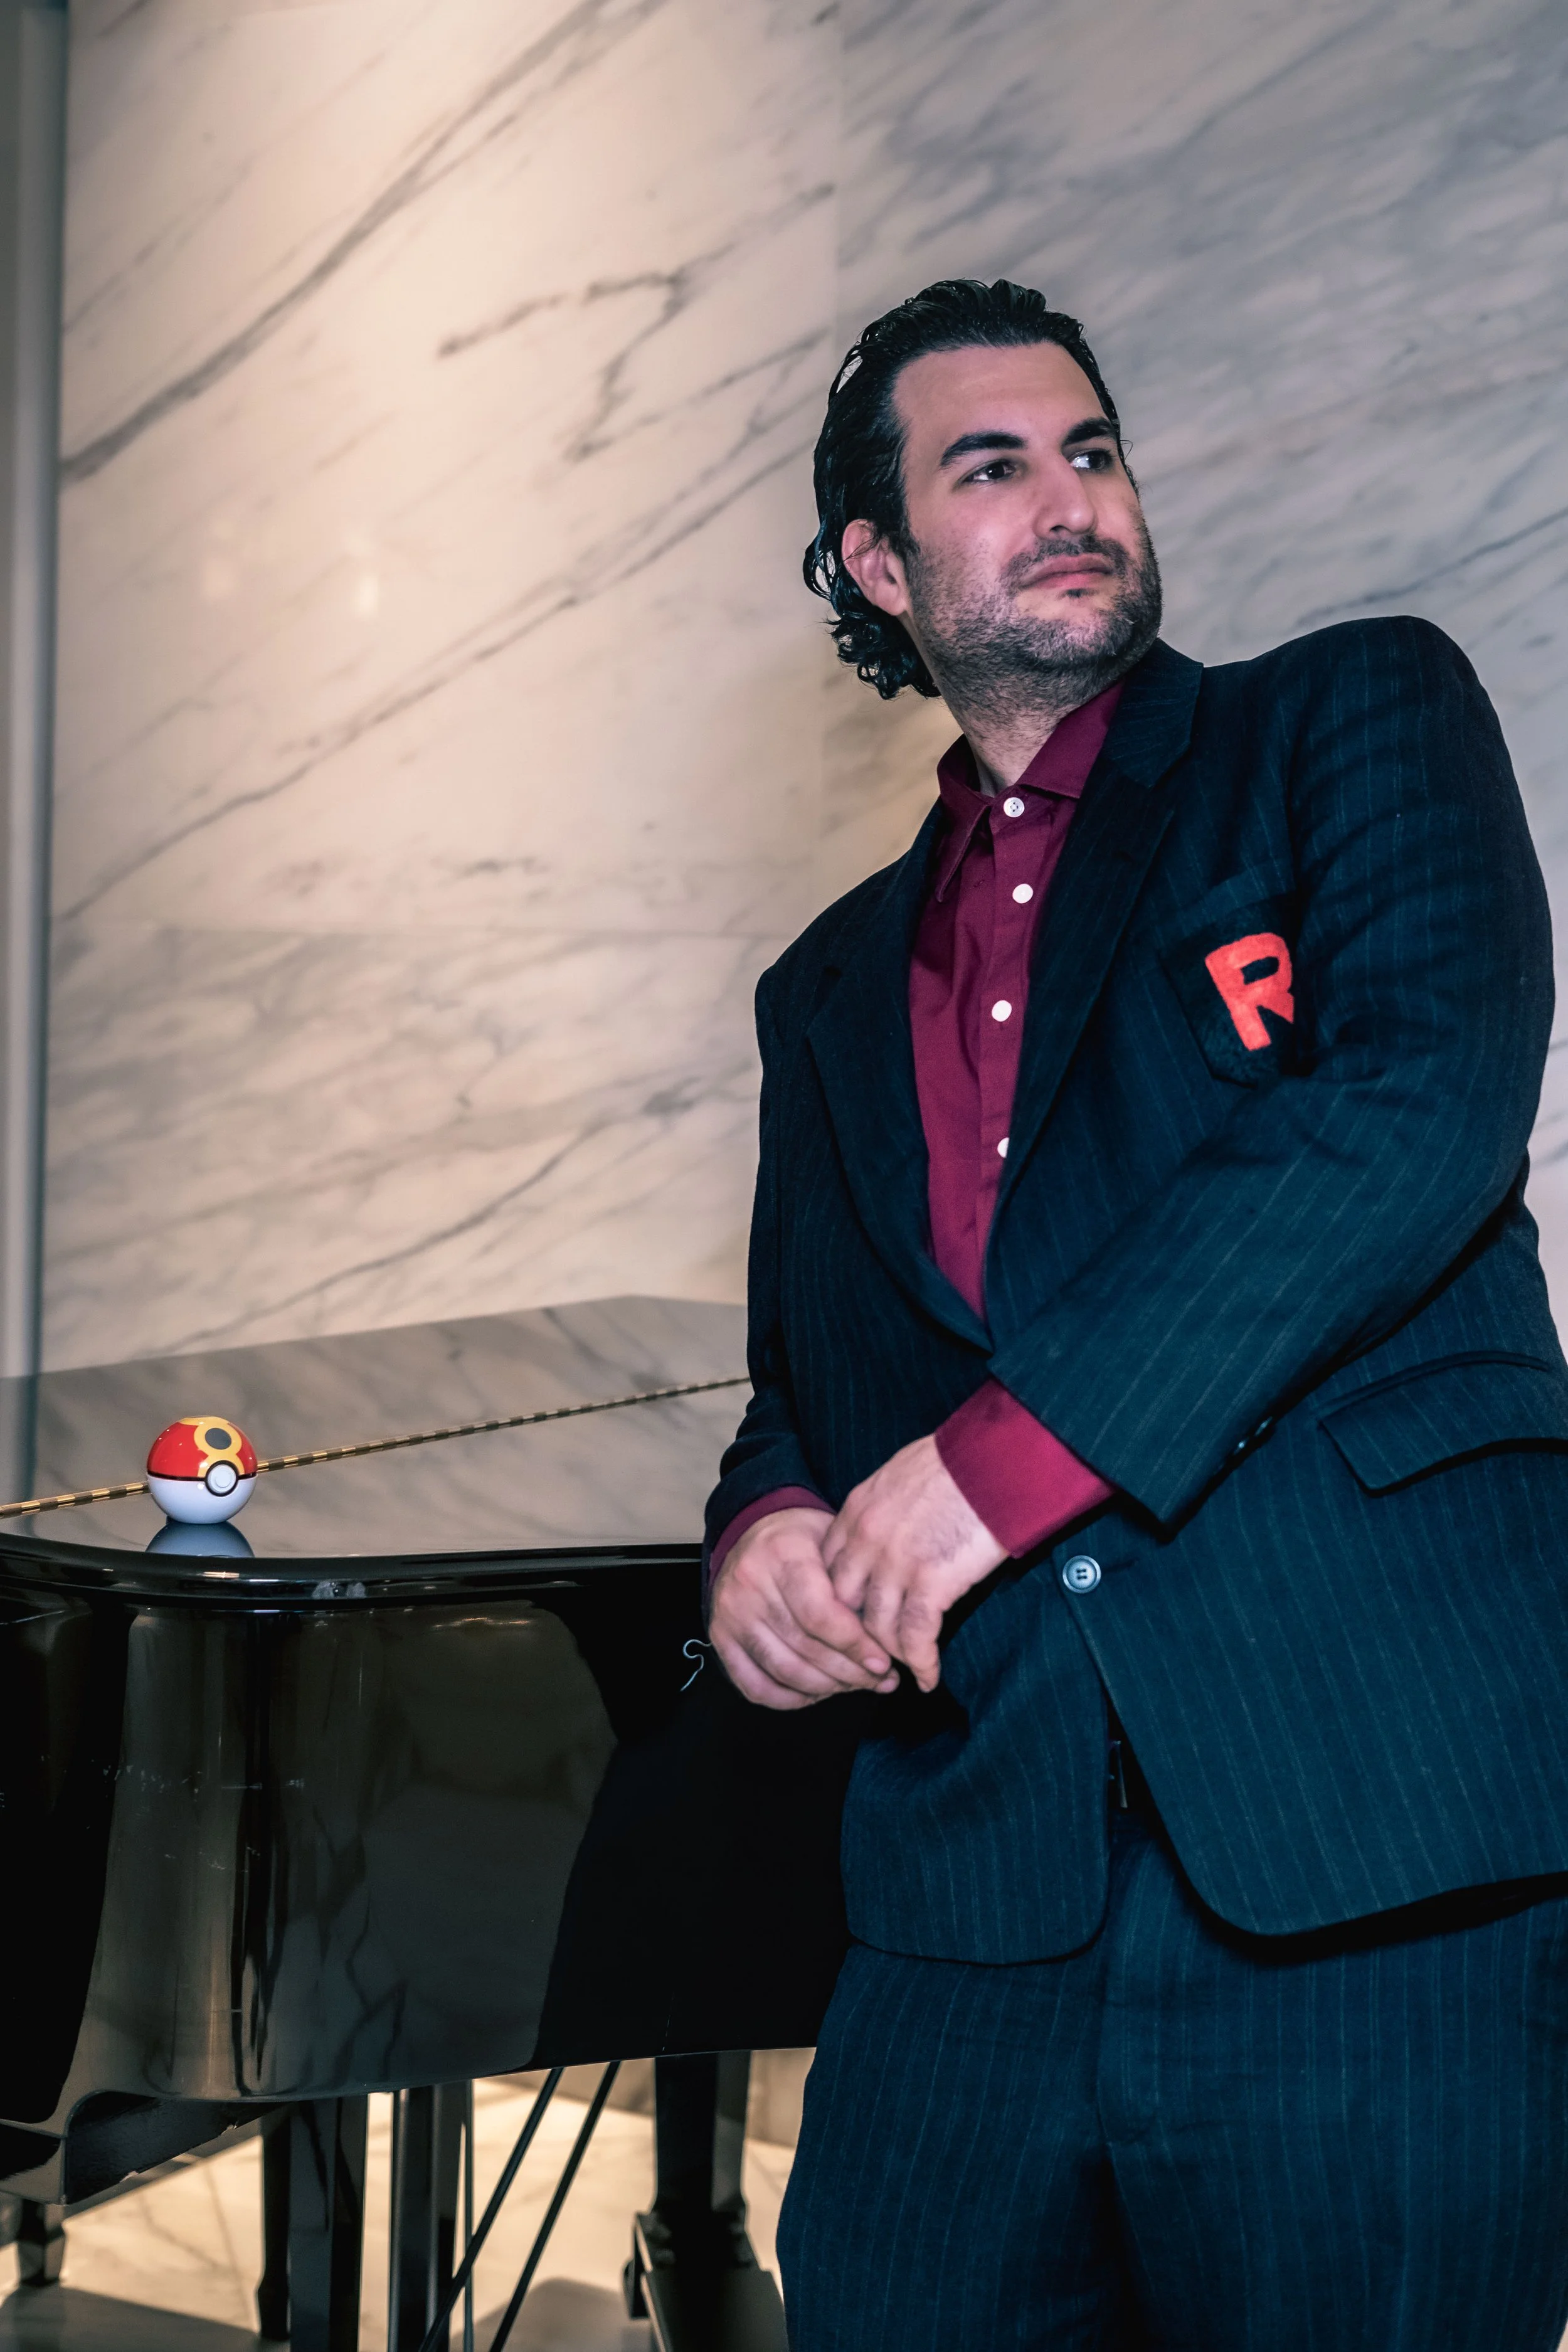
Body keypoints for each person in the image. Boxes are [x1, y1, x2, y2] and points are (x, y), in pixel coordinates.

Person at [702, 277, 1568, 2351]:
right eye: (991, 466)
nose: (1070, 495)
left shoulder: (1348, 714)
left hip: (1370, 1841)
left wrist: (991, 1471)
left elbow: (1416, 1104)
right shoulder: (823, 986)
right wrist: (764, 1534)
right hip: (974, 1890)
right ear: (878, 563)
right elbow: (806, 1379)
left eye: (1089, 449)